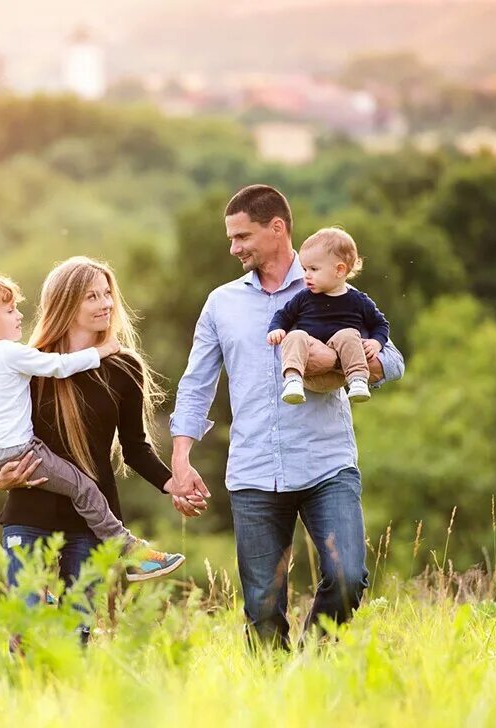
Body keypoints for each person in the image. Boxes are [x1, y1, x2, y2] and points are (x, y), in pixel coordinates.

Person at [168, 185, 405, 648]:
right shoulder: (222, 303)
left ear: (277, 229)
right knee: (261, 606)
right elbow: (196, 383)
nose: (234, 247)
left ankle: (310, 667)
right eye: (231, 238)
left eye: (242, 236)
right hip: (254, 470)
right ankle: (275, 701)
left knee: (347, 576)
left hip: (326, 463)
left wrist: (346, 362)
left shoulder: (337, 288)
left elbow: (393, 361)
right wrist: (181, 459)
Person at [0, 257, 186, 642]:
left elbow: (135, 447)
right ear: (67, 303)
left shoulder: (124, 368)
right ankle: (23, 701)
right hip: (29, 509)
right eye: (92, 296)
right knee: (26, 629)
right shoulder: (33, 362)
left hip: (90, 520)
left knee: (77, 634)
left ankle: (70, 702)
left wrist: (172, 483)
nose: (105, 303)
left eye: (108, 294)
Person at [266, 227, 390, 405]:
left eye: (313, 269)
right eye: (304, 269)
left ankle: (358, 381)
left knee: (348, 334)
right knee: (296, 335)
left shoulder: (358, 300)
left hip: (342, 375)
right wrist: (276, 329)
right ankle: (292, 380)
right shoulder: (304, 297)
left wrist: (376, 342)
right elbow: (283, 315)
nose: (306, 275)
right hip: (309, 372)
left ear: (339, 270)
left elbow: (380, 324)